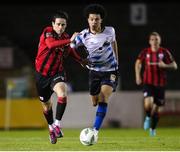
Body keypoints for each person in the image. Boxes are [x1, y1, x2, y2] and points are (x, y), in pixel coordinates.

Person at [34, 11, 87, 144]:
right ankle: (51, 128)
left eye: (63, 25)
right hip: (42, 75)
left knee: (62, 94)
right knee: (46, 106)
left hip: (57, 73)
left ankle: (57, 125)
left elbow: (69, 51)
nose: (60, 27)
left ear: (66, 25)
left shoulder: (65, 37)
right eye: (58, 24)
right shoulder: (48, 32)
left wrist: (80, 60)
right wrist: (70, 40)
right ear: (53, 24)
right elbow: (51, 45)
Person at [72, 4, 119, 141]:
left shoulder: (110, 31)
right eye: (91, 19)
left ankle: (95, 130)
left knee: (103, 98)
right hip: (94, 72)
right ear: (88, 20)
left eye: (96, 19)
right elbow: (70, 48)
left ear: (101, 20)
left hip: (110, 70)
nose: (94, 22)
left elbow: (114, 43)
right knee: (94, 101)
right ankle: (96, 121)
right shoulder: (83, 35)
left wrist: (117, 60)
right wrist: (80, 60)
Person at [135, 32, 178, 136]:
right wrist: (138, 76)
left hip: (160, 84)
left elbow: (175, 66)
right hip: (148, 83)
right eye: (152, 39)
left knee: (157, 109)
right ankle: (148, 116)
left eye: (156, 39)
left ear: (160, 41)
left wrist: (165, 65)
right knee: (148, 103)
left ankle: (153, 129)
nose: (154, 41)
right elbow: (138, 64)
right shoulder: (145, 52)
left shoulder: (164, 52)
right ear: (149, 41)